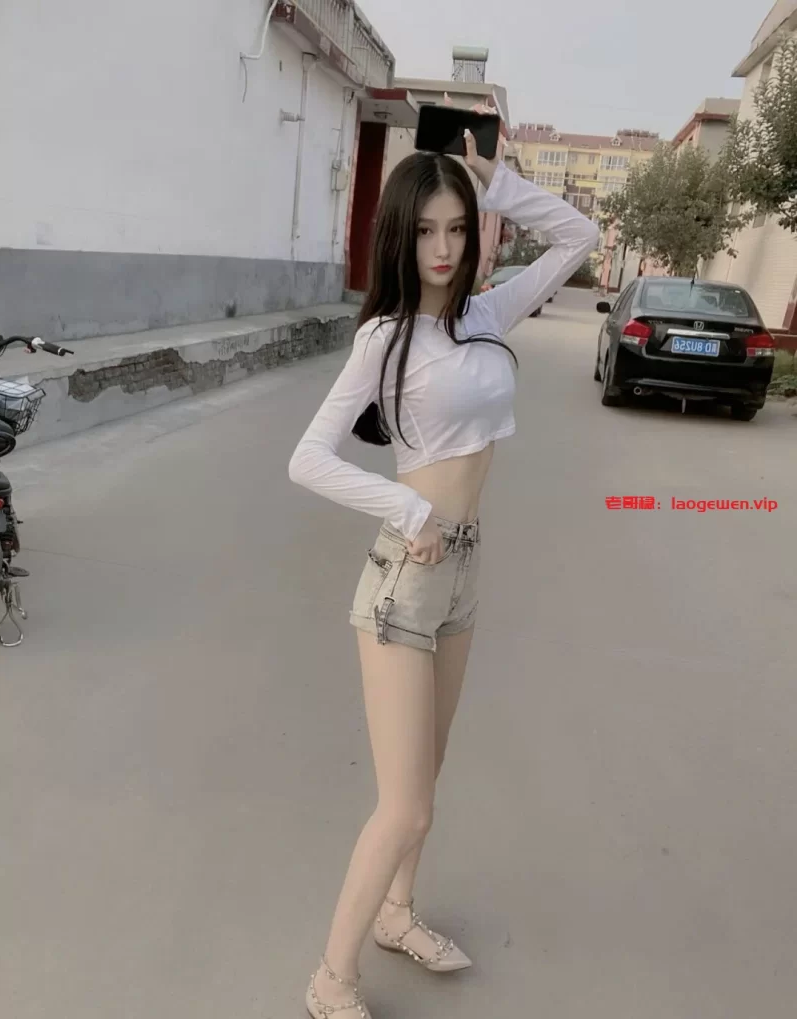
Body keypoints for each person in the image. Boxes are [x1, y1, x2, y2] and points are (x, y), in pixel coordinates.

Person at [288, 118, 599, 1018]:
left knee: (430, 771)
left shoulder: (486, 314)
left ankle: (397, 914)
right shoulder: (385, 337)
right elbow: (307, 459)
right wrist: (410, 508)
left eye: (458, 228)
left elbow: (580, 237)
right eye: (426, 229)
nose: (444, 247)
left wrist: (497, 184)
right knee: (407, 806)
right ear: (401, 234)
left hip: (462, 572)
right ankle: (331, 979)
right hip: (404, 577)